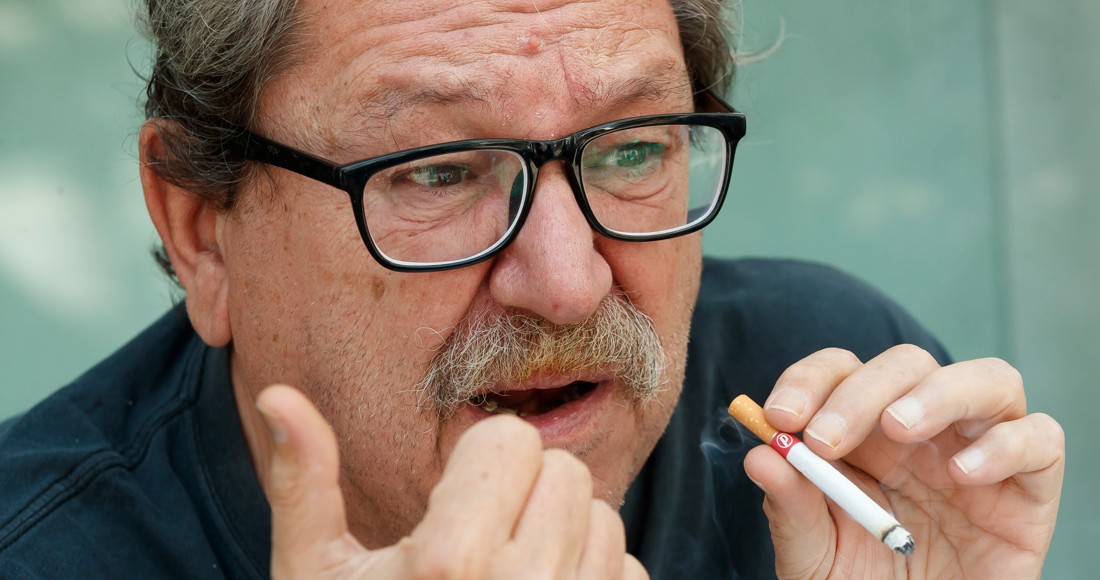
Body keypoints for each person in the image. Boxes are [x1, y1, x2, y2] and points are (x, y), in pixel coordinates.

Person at [0, 0, 1064, 578]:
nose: (566, 284)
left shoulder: (843, 420)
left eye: (631, 149)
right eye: (435, 172)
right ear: (203, 230)